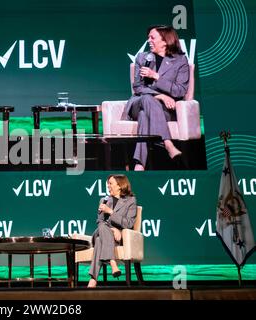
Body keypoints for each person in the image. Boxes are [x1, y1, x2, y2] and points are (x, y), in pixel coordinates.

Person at [122, 25, 189, 171]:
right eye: (148, 37)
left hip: (164, 111)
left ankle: (139, 165)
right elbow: (138, 88)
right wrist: (161, 96)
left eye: (152, 37)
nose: (148, 40)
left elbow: (180, 91)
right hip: (138, 103)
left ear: (165, 41)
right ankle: (168, 144)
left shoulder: (180, 61)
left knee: (144, 115)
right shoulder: (142, 57)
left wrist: (156, 76)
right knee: (146, 99)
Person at [87, 174, 137, 288]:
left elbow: (128, 223)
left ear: (120, 185)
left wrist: (110, 212)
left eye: (111, 183)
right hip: (102, 230)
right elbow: (99, 222)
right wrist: (113, 229)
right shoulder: (104, 200)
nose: (108, 186)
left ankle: (93, 279)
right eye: (107, 183)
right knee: (102, 227)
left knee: (100, 241)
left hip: (118, 239)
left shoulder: (130, 201)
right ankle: (113, 263)